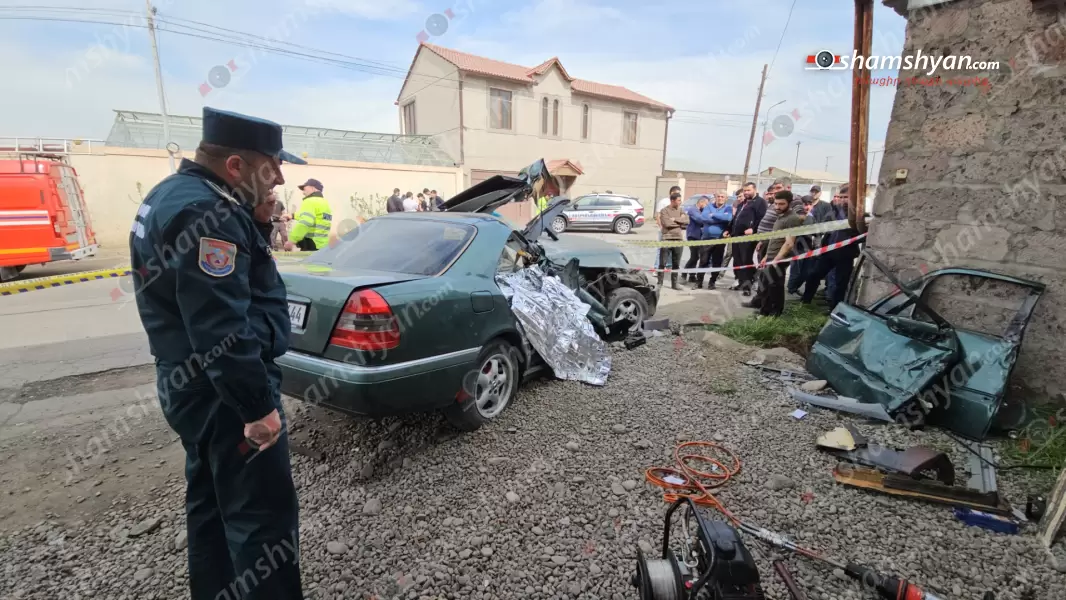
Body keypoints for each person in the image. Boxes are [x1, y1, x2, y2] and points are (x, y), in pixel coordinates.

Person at [127, 107, 303, 600]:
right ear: (235, 166)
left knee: (210, 504)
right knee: (262, 519)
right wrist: (256, 407)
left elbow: (230, 286)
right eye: (271, 166)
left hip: (191, 384)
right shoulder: (211, 215)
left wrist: (260, 225)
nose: (280, 178)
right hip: (223, 393)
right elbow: (220, 325)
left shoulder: (176, 194)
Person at [744, 190, 803, 317]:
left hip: (779, 258)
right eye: (776, 204)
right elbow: (775, 239)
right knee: (766, 284)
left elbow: (789, 243)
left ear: (789, 203)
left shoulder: (792, 219)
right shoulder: (781, 216)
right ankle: (765, 310)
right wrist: (766, 256)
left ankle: (775, 313)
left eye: (781, 204)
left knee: (775, 286)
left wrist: (777, 259)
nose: (777, 207)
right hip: (771, 256)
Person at [801, 184, 860, 309]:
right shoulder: (835, 210)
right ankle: (805, 302)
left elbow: (862, 235)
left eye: (846, 197)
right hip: (829, 251)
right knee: (814, 275)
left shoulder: (858, 214)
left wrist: (849, 231)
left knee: (840, 283)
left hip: (845, 254)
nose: (842, 200)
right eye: (841, 197)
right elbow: (824, 226)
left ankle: (834, 309)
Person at [728, 182, 766, 295]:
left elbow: (761, 219)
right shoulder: (743, 203)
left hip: (748, 237)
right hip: (736, 236)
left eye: (748, 190)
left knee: (746, 261)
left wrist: (753, 229)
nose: (746, 192)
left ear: (755, 190)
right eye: (744, 190)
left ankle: (747, 286)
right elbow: (735, 218)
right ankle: (741, 282)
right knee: (737, 260)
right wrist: (728, 229)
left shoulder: (760, 202)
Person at [695, 192, 734, 290]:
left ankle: (712, 282)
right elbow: (704, 217)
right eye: (718, 196)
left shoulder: (728, 208)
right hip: (707, 239)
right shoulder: (709, 206)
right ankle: (699, 282)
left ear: (726, 198)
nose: (720, 198)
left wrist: (713, 215)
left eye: (722, 197)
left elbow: (729, 218)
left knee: (717, 262)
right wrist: (720, 218)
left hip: (720, 240)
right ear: (715, 197)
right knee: (703, 261)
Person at [286, 178, 331, 251]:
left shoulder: (310, 201)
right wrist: (293, 216)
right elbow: (314, 218)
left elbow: (305, 222)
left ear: (312, 188)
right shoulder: (325, 204)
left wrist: (291, 241)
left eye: (304, 189)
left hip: (310, 244)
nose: (303, 193)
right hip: (322, 245)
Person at [657, 191, 689, 290]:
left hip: (678, 240)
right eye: (678, 200)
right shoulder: (664, 211)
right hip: (667, 239)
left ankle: (674, 284)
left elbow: (687, 221)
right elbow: (667, 224)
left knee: (676, 264)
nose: (680, 202)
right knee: (662, 263)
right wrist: (680, 223)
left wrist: (674, 219)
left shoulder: (681, 210)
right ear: (672, 200)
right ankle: (659, 283)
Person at [682, 196, 710, 281]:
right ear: (701, 202)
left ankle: (692, 276)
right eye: (706, 204)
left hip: (699, 236)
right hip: (693, 236)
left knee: (696, 257)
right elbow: (700, 220)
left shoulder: (701, 210)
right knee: (694, 256)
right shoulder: (693, 210)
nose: (707, 207)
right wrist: (709, 216)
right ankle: (684, 273)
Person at [655, 185, 682, 269]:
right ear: (671, 193)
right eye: (677, 193)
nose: (678, 195)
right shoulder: (664, 202)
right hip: (665, 231)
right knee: (661, 250)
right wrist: (661, 228)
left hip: (674, 232)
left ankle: (669, 267)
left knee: (673, 249)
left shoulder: (678, 203)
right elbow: (658, 216)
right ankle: (657, 268)